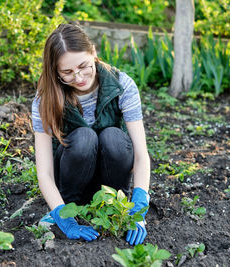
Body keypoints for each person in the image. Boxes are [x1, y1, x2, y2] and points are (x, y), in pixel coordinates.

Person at [31, 23, 150, 246]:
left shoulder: (122, 85)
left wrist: (139, 205)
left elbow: (141, 155)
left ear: (93, 53)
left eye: (83, 66)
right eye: (66, 72)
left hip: (111, 184)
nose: (78, 77)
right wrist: (62, 214)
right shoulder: (44, 98)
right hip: (70, 182)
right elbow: (45, 172)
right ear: (55, 71)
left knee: (113, 137)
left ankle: (115, 204)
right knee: (84, 137)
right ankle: (70, 205)